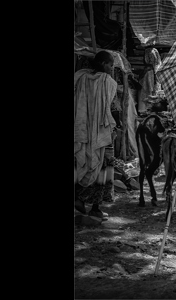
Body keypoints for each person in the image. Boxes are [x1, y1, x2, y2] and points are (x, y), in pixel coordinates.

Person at [74, 50, 118, 219]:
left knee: (81, 165)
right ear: (102, 63)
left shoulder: (81, 78)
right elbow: (112, 108)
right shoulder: (108, 82)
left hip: (83, 131)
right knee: (103, 168)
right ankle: (95, 207)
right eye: (110, 64)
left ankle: (78, 199)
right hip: (102, 132)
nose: (111, 68)